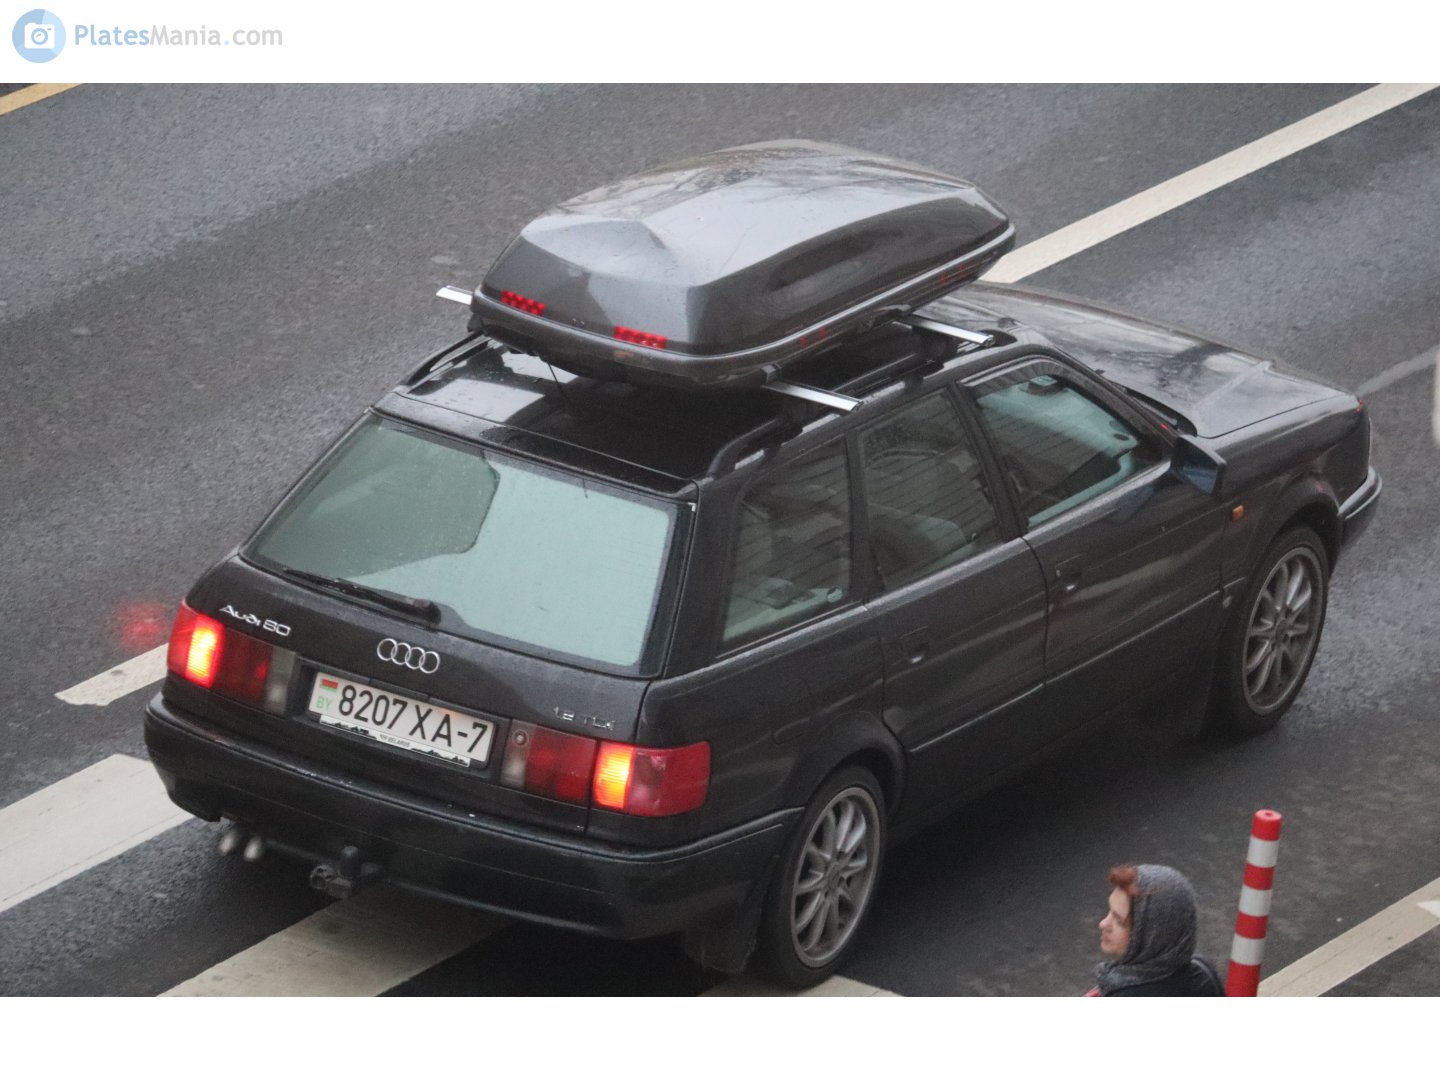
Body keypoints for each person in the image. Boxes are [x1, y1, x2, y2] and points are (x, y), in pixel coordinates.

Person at [1089, 863, 1224, 996]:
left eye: (1119, 921)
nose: (1103, 924)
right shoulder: (1203, 972)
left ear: (1153, 936)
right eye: (1110, 912)